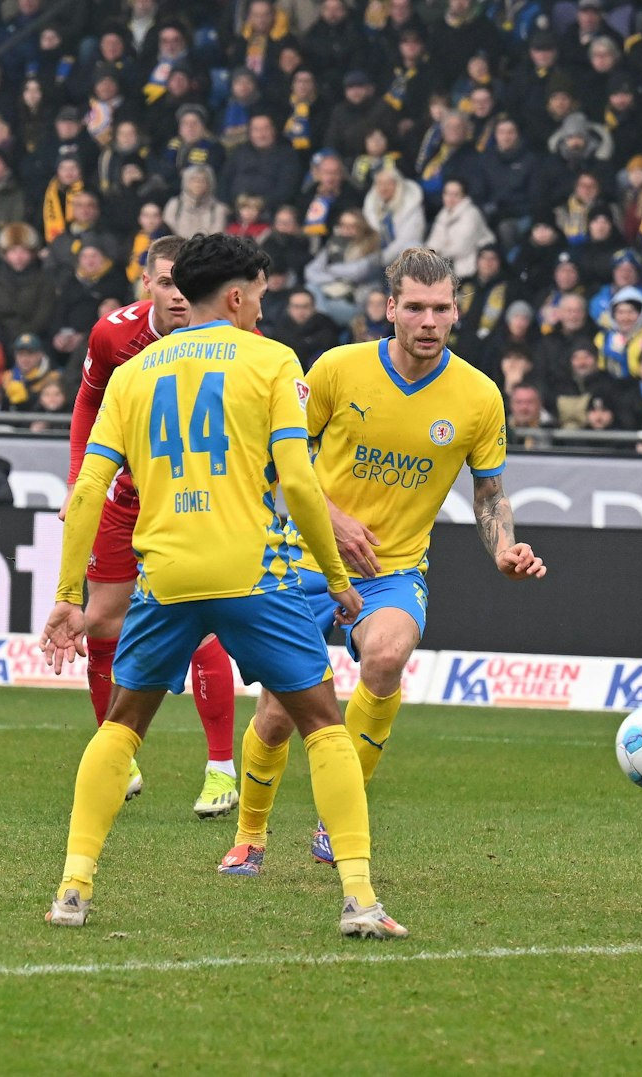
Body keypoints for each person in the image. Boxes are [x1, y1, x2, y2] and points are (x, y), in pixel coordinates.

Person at [39, 232, 403, 938]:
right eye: (260, 296)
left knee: (122, 726)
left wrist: (69, 593)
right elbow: (296, 479)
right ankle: (360, 898)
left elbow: (87, 486)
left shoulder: (135, 372)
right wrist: (334, 575)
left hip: (167, 576)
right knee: (324, 724)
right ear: (236, 296)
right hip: (253, 576)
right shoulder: (271, 360)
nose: (262, 309)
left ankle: (72, 888)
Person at [219, 248, 546, 876]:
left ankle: (335, 818)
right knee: (277, 712)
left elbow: (490, 494)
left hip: (391, 570)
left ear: (456, 313)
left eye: (441, 308)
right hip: (303, 560)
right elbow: (273, 462)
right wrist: (329, 517)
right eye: (415, 307)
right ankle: (250, 835)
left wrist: (504, 547)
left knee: (388, 656)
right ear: (390, 308)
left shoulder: (479, 397)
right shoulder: (338, 370)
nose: (428, 320)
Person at [63, 234, 244, 817]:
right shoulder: (113, 334)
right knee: (101, 621)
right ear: (147, 283)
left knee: (203, 620)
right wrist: (79, 480)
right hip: (123, 496)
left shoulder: (236, 340)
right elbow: (87, 405)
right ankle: (119, 762)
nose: (178, 296)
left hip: (193, 498)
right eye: (165, 282)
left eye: (185, 283)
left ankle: (221, 769)